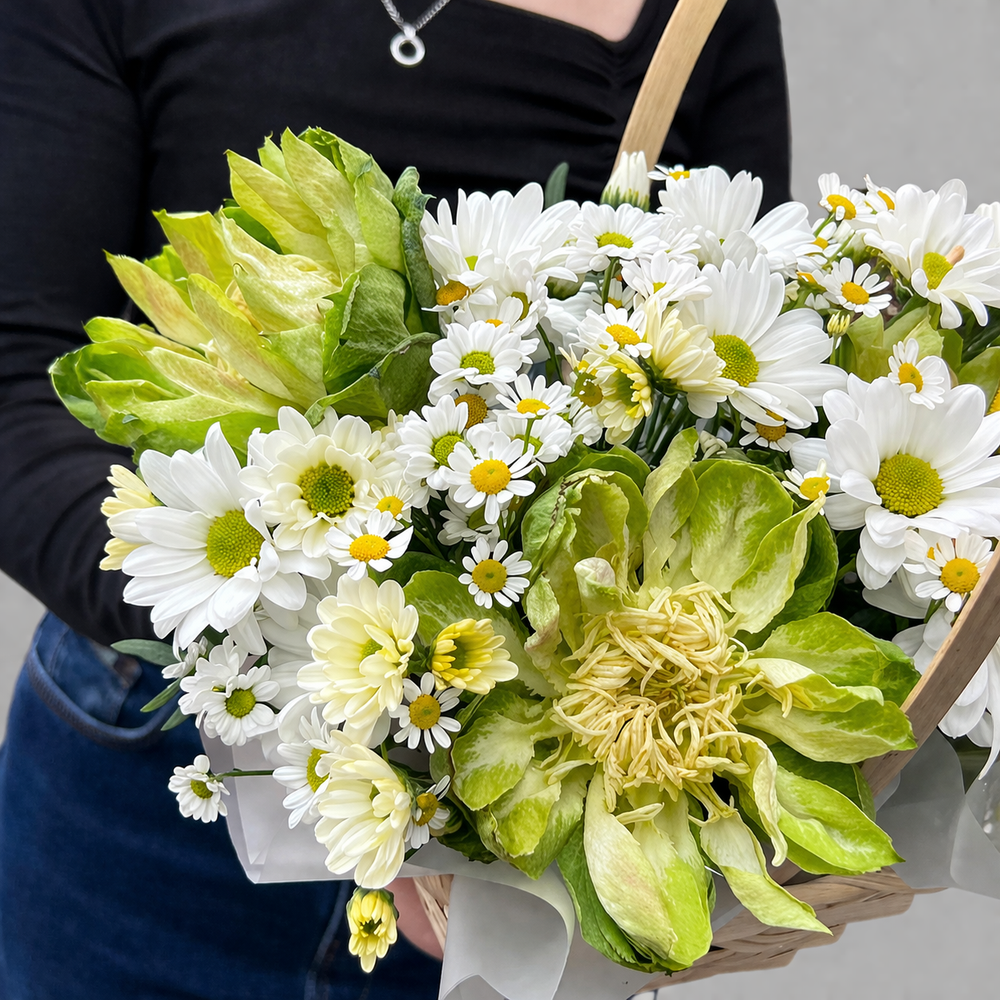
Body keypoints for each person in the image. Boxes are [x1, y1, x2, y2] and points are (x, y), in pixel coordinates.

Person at [0, 1, 791, 996]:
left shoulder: (704, 13)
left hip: (523, 798)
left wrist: (502, 762)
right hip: (157, 787)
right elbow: (18, 381)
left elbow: (739, 392)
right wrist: (282, 653)